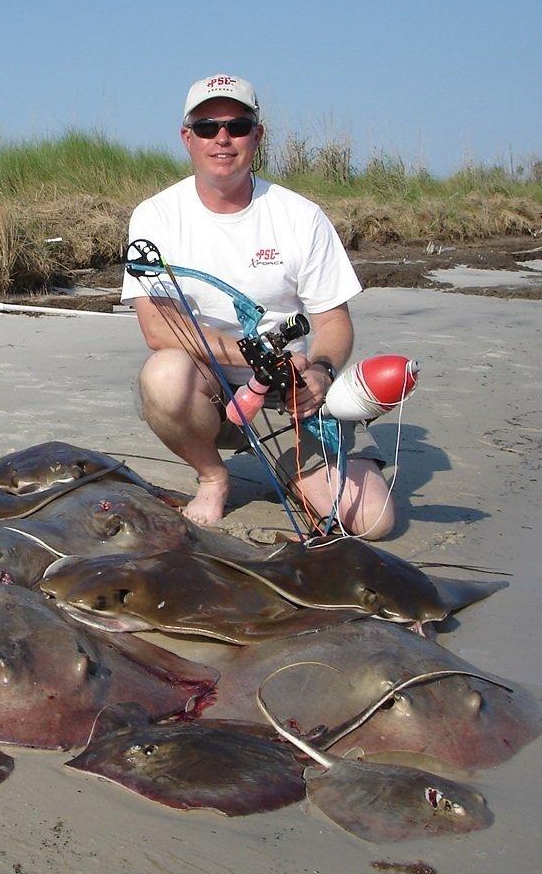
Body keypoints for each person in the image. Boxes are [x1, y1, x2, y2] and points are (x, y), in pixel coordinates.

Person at [121, 73, 396, 538]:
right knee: (162, 375)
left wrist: (322, 370)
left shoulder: (300, 215)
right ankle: (212, 475)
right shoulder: (155, 215)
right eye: (207, 127)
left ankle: (293, 463)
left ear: (257, 136)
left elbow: (333, 321)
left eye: (238, 125)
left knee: (374, 524)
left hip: (290, 397)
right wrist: (251, 355)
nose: (222, 139)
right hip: (208, 394)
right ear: (187, 138)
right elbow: (157, 328)